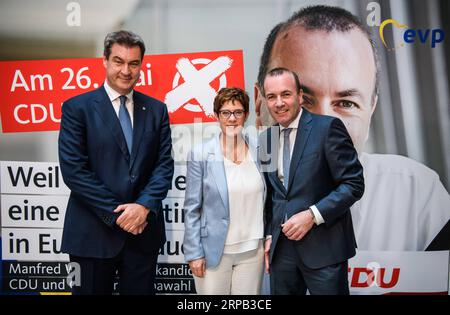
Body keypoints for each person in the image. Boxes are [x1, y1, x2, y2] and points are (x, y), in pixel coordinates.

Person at [255, 5, 450, 251]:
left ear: (370, 112)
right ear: (259, 103)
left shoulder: (415, 196)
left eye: (346, 103)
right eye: (300, 99)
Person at [58, 30, 174, 294]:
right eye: (119, 61)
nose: (126, 70)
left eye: (133, 63)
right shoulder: (77, 108)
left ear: (141, 65)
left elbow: (163, 165)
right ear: (105, 61)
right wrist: (120, 215)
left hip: (142, 235)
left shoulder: (156, 110)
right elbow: (75, 171)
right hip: (92, 235)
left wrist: (143, 207)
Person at [260, 67, 364, 295]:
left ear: (299, 96)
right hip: (281, 252)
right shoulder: (265, 139)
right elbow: (270, 195)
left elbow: (353, 184)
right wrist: (269, 235)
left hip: (324, 249)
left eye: (285, 94)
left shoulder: (327, 128)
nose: (279, 103)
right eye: (271, 96)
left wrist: (312, 215)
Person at [183, 87, 266, 295]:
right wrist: (194, 253)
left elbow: (271, 199)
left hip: (252, 251)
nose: (232, 118)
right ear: (216, 116)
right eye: (225, 113)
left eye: (237, 112)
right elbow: (192, 208)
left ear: (246, 115)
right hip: (214, 252)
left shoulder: (261, 150)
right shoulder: (200, 154)